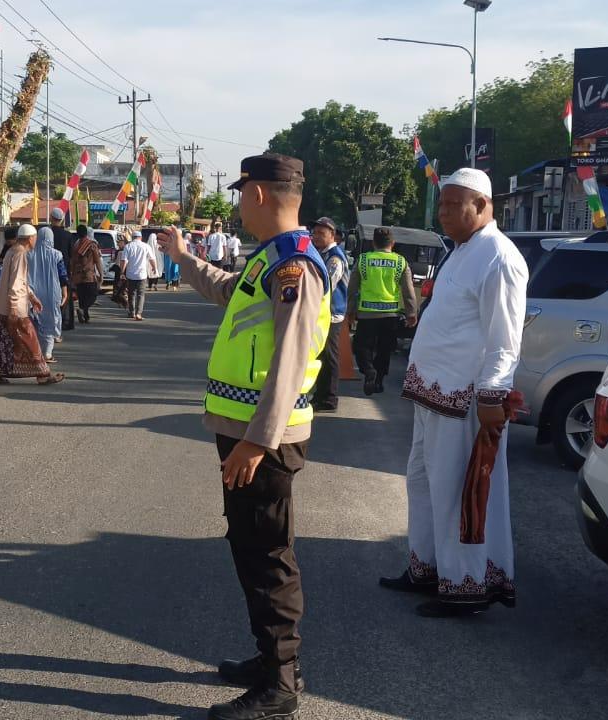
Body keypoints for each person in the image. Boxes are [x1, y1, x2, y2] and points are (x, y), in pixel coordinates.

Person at [160, 153, 326, 720]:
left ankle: (280, 682)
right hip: (246, 431)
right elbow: (230, 291)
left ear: (257, 194)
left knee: (267, 553)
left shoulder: (294, 267)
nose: (237, 204)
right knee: (247, 543)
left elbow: (289, 360)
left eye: (240, 194)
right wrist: (183, 259)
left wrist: (258, 442)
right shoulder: (272, 259)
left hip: (264, 439)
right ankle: (268, 659)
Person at [381, 167, 528, 618]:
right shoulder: (462, 250)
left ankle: (465, 587)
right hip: (432, 395)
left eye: (451, 205)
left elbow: (505, 339)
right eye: (441, 204)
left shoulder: (499, 257)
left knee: (456, 495)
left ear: (481, 205)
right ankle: (426, 567)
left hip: (465, 401)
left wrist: (491, 396)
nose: (442, 213)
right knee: (424, 484)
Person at [0, 224, 65, 386]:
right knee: (31, 340)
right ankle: (43, 375)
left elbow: (20, 281)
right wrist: (14, 308)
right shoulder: (20, 254)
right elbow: (16, 283)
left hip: (3, 305)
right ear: (30, 238)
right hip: (15, 307)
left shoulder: (11, 251)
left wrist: (32, 297)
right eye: (34, 238)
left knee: (5, 342)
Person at [349, 226, 418, 395]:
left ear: (373, 243)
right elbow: (408, 291)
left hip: (366, 314)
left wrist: (350, 311)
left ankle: (368, 370)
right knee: (384, 349)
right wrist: (411, 313)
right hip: (391, 315)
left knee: (362, 347)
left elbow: (352, 289)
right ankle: (378, 380)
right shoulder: (401, 262)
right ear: (392, 243)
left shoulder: (363, 260)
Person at [307, 217, 350, 413]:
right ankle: (321, 395)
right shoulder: (321, 253)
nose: (316, 237)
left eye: (321, 234)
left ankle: (329, 398)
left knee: (329, 355)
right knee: (322, 355)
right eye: (314, 233)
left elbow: (325, 288)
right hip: (322, 314)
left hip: (331, 315)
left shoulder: (335, 258)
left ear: (332, 236)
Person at [27, 224, 67, 362]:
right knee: (50, 322)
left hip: (33, 293)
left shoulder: (29, 254)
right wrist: (65, 292)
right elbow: (62, 276)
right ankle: (47, 354)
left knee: (35, 322)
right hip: (52, 293)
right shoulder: (57, 255)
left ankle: (35, 352)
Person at [67, 223, 102, 323]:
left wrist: (72, 274)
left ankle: (85, 317)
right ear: (86, 233)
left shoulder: (75, 246)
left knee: (82, 297)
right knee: (92, 295)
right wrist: (101, 274)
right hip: (88, 275)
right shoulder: (92, 245)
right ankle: (82, 310)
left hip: (77, 276)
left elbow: (72, 261)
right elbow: (97, 261)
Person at [118, 229, 155, 320]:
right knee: (141, 294)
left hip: (131, 274)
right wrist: (154, 268)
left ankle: (132, 312)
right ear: (141, 237)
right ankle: (139, 313)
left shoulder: (128, 246)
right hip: (142, 274)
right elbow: (151, 258)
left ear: (132, 237)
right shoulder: (146, 246)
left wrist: (122, 272)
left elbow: (124, 260)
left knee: (131, 294)